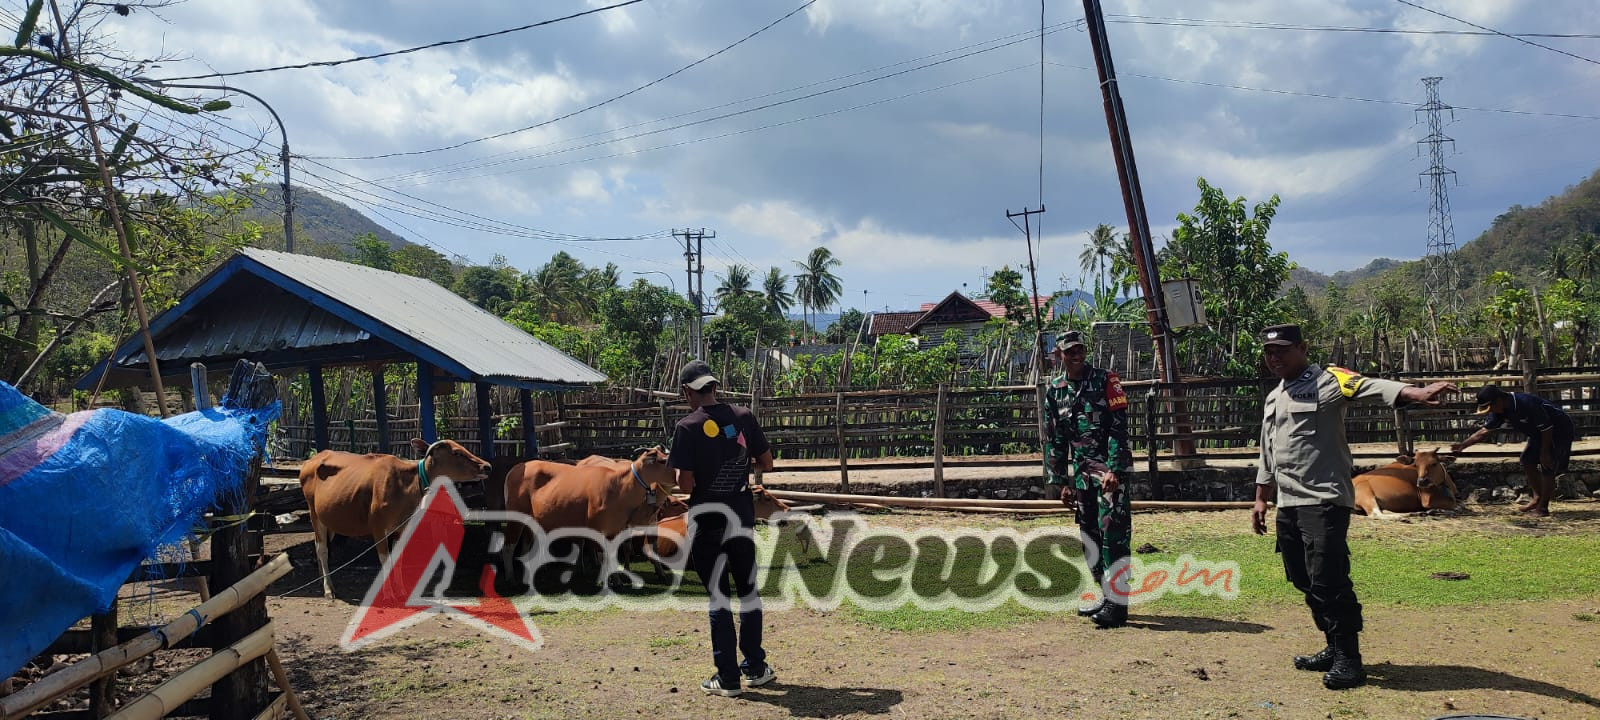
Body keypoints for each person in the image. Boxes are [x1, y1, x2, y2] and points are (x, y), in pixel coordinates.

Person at [1251, 324, 1456, 690]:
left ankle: (1349, 658)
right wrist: (1261, 498)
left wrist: (1416, 392)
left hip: (1324, 499)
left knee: (1328, 579)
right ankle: (1332, 645)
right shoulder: (1274, 397)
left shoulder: (1329, 381)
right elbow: (1268, 451)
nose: (1274, 357)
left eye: (1282, 349)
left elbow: (1370, 386)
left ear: (1302, 348)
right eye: (1269, 352)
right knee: (1301, 578)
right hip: (1289, 503)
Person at [669, 360, 777, 697]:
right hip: (740, 515)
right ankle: (755, 667)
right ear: (714, 386)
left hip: (708, 520)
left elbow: (685, 485)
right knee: (748, 592)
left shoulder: (687, 427)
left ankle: (728, 678)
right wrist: (739, 467)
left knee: (719, 597)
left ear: (687, 391)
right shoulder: (743, 416)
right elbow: (767, 463)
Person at [1043, 330, 1134, 629]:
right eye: (1070, 351)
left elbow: (1119, 428)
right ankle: (1106, 595)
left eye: (1080, 350)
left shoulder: (1107, 381)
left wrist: (1115, 469)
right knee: (1090, 538)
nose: (1077, 355)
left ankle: (1117, 605)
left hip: (1109, 475)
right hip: (1082, 476)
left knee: (1113, 536)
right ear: (1060, 355)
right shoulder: (1056, 391)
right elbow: (1055, 439)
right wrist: (1061, 482)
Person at [1451, 386, 1574, 517]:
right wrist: (1463, 445)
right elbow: (1485, 431)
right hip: (1538, 433)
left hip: (1558, 431)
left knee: (1547, 465)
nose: (1491, 411)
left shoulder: (1526, 403)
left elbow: (1547, 428)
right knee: (1527, 460)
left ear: (1499, 400)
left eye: (1491, 407)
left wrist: (1545, 452)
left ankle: (1543, 509)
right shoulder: (1500, 410)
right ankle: (1537, 498)